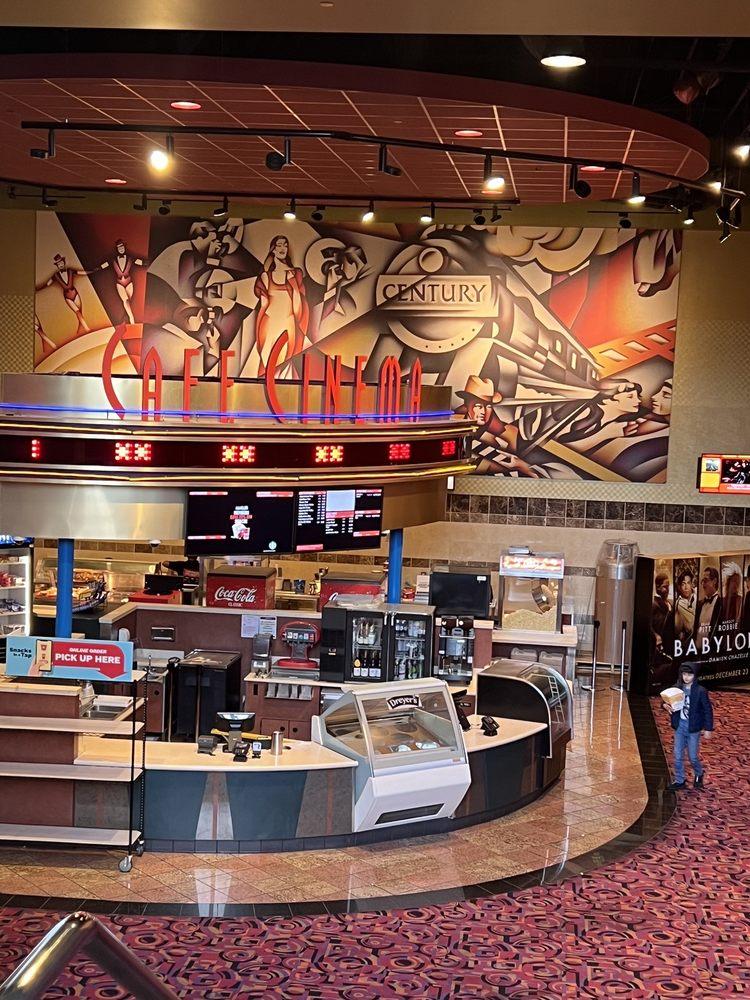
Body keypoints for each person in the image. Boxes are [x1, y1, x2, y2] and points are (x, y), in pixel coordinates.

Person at [254, 235, 309, 377]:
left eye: (285, 245)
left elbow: (298, 301)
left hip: (288, 323)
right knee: (267, 359)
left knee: (285, 361)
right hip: (269, 322)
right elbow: (263, 304)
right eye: (279, 245)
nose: (282, 248)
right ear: (273, 249)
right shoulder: (266, 276)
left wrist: (293, 283)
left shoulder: (295, 273)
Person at [665, 661, 713, 790]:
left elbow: (708, 710)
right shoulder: (677, 688)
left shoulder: (701, 691)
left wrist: (708, 728)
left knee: (693, 756)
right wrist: (665, 705)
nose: (686, 677)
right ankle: (680, 780)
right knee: (677, 755)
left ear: (695, 675)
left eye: (690, 675)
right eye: (684, 674)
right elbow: (666, 700)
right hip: (680, 726)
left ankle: (699, 773)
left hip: (693, 728)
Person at [95, 240, 147, 324]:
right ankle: (132, 319)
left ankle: (126, 318)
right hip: (119, 284)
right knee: (125, 301)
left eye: (122, 247)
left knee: (128, 302)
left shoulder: (130, 258)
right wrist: (96, 269)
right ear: (117, 249)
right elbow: (105, 265)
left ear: (124, 247)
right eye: (119, 248)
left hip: (129, 282)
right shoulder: (113, 260)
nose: (121, 249)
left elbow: (140, 262)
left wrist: (147, 263)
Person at [693, 566, 723, 643]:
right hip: (696, 649)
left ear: (714, 581)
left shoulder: (722, 605)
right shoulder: (699, 604)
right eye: (702, 581)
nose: (703, 584)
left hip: (713, 649)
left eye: (705, 581)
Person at [673, 569, 696, 645]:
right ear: (680, 586)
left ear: (692, 584)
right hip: (690, 641)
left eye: (688, 583)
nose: (686, 587)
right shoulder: (679, 603)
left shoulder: (697, 595)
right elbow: (690, 627)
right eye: (683, 584)